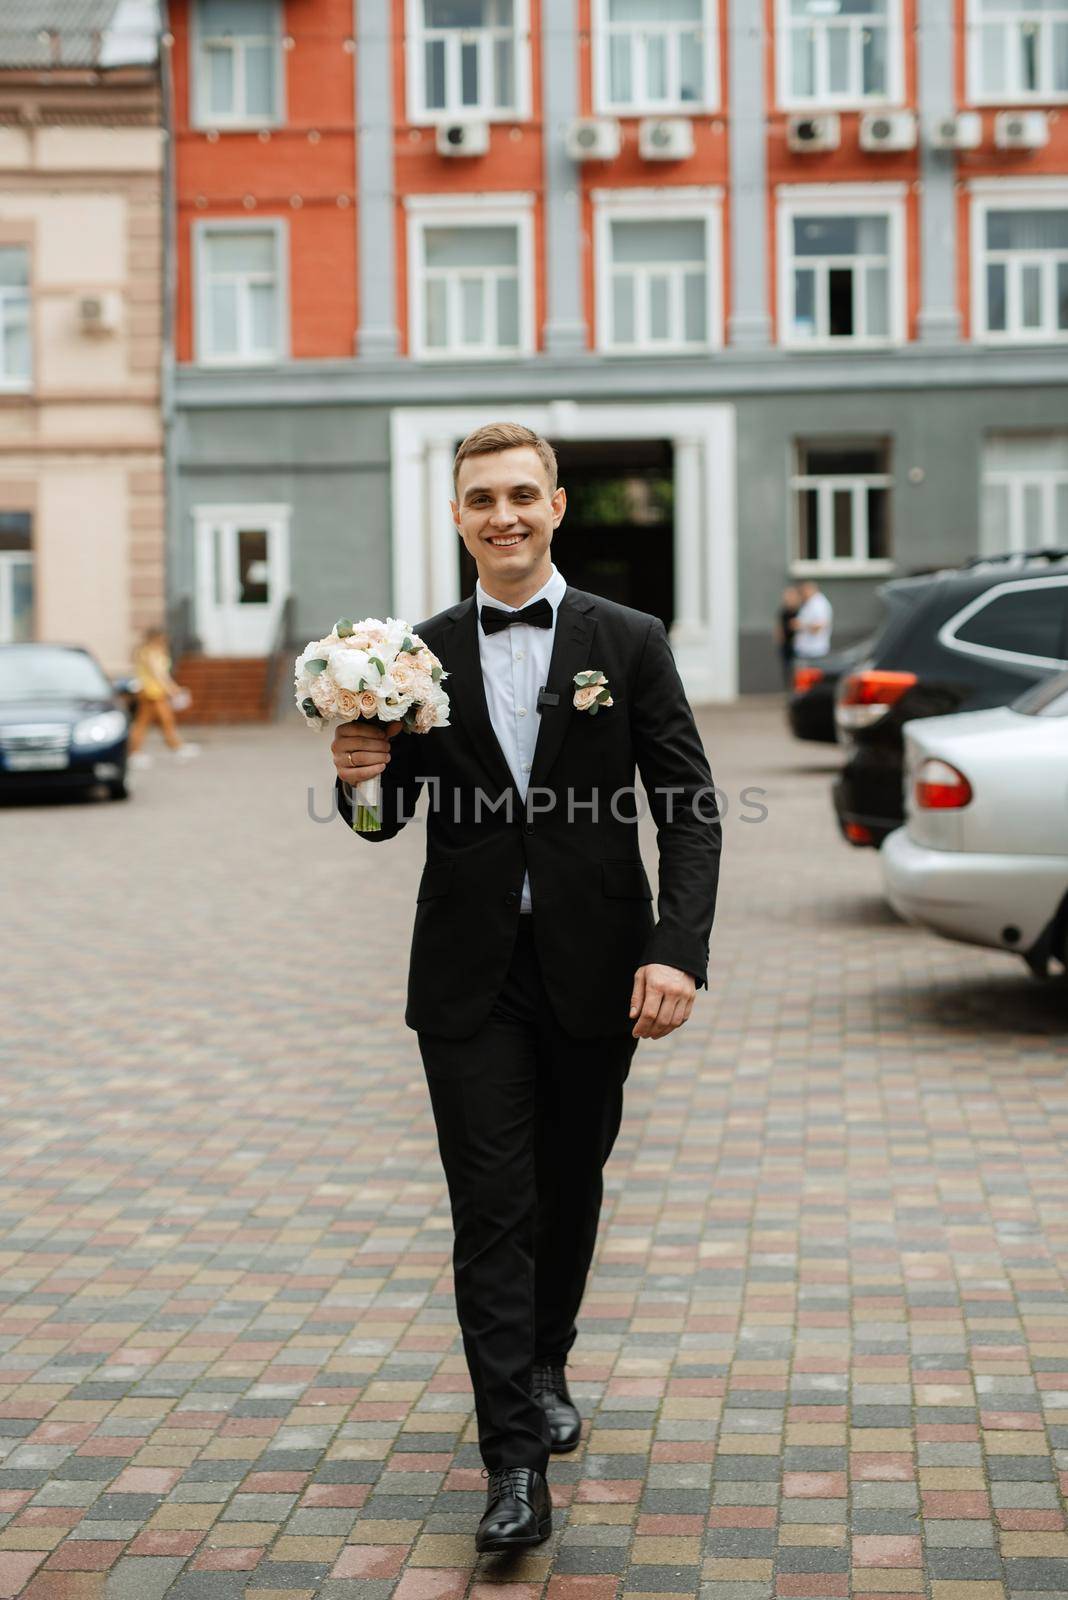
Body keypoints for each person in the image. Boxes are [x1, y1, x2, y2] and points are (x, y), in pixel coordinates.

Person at [330, 423, 721, 1554]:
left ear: (556, 506)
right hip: (468, 980)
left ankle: (546, 1355)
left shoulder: (629, 639)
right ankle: (511, 1463)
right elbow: (382, 816)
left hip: (600, 973)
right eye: (477, 499)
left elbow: (687, 800)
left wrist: (676, 946)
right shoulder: (412, 656)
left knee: (570, 1181)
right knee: (491, 1209)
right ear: (456, 517)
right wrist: (357, 776)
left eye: (519, 495)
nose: (500, 515)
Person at [127, 627, 199, 766]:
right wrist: (172, 689)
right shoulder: (151, 653)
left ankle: (173, 745)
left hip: (152, 691)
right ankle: (136, 751)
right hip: (152, 692)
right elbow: (158, 674)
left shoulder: (147, 652)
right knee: (158, 720)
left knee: (152, 721)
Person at [791, 579, 833, 660]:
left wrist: (800, 625)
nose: (802, 593)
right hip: (807, 650)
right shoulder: (810, 602)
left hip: (813, 651)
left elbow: (819, 626)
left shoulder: (819, 604)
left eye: (803, 590)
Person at [776, 584, 801, 688]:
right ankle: (789, 689)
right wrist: (780, 640)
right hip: (786, 645)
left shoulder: (800, 611)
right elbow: (779, 627)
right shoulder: (783, 611)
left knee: (797, 668)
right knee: (787, 669)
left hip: (796, 644)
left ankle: (797, 688)